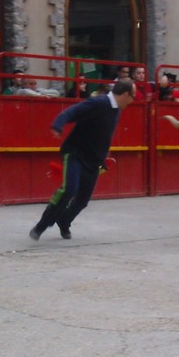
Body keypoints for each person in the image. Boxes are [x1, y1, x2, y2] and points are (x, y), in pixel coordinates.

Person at [29, 78, 136, 241]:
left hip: (93, 160)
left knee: (82, 200)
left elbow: (104, 135)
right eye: (133, 97)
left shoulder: (116, 110)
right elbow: (72, 112)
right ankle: (42, 224)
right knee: (69, 189)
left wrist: (104, 156)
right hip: (75, 153)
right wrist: (58, 125)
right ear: (126, 94)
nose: (132, 101)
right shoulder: (99, 103)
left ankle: (64, 221)